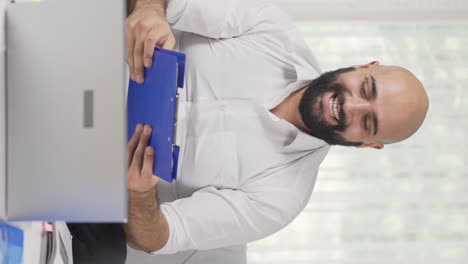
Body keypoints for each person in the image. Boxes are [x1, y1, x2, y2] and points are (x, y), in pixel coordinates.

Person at [69, 0, 430, 263]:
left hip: (102, 178)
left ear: (368, 144)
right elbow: (168, 3)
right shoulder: (272, 29)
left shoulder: (282, 199)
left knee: (103, 255)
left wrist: (141, 195)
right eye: (366, 89)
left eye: (367, 122)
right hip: (96, 60)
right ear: (363, 67)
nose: (349, 106)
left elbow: (158, 237)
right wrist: (151, 11)